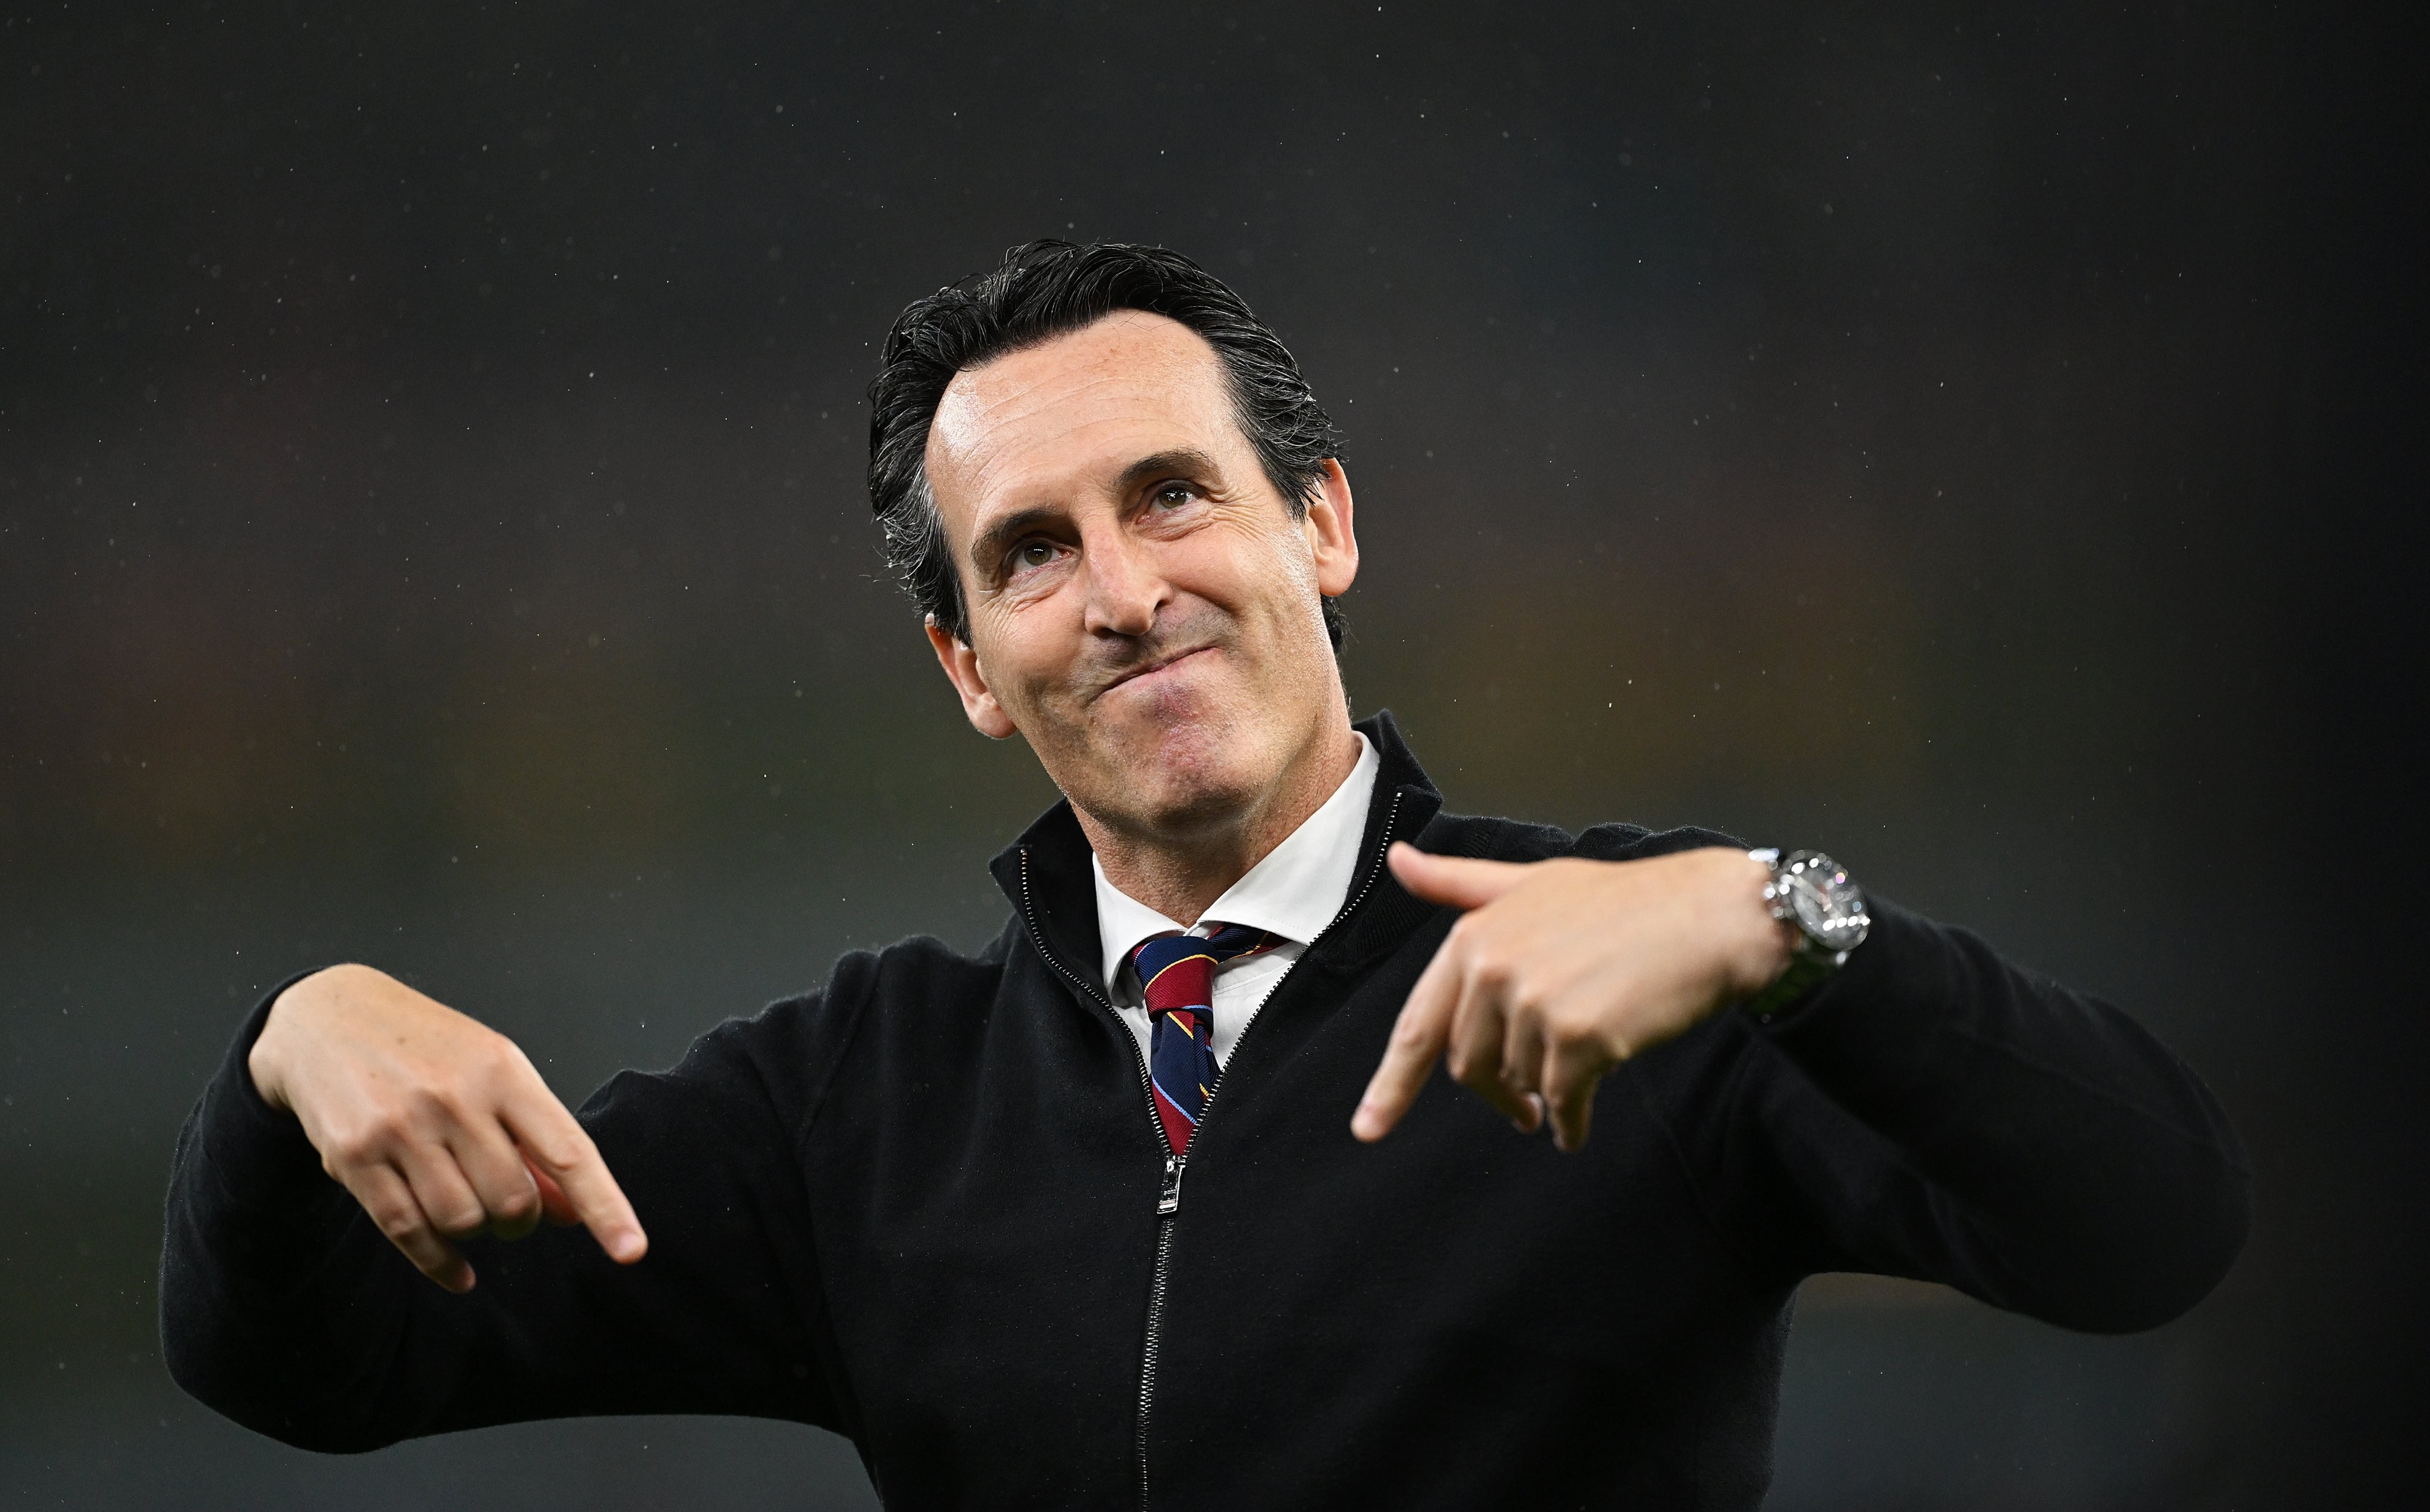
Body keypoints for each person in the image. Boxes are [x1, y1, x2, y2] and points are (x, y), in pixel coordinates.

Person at [161, 241, 2249, 1510]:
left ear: (1320, 524)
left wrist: (1789, 923)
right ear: (967, 668)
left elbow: (2154, 1222)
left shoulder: (1642, 959)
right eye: (1033, 551)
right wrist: (287, 1050)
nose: (1125, 592)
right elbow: (310, 1368)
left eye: (1173, 495)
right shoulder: (856, 1108)